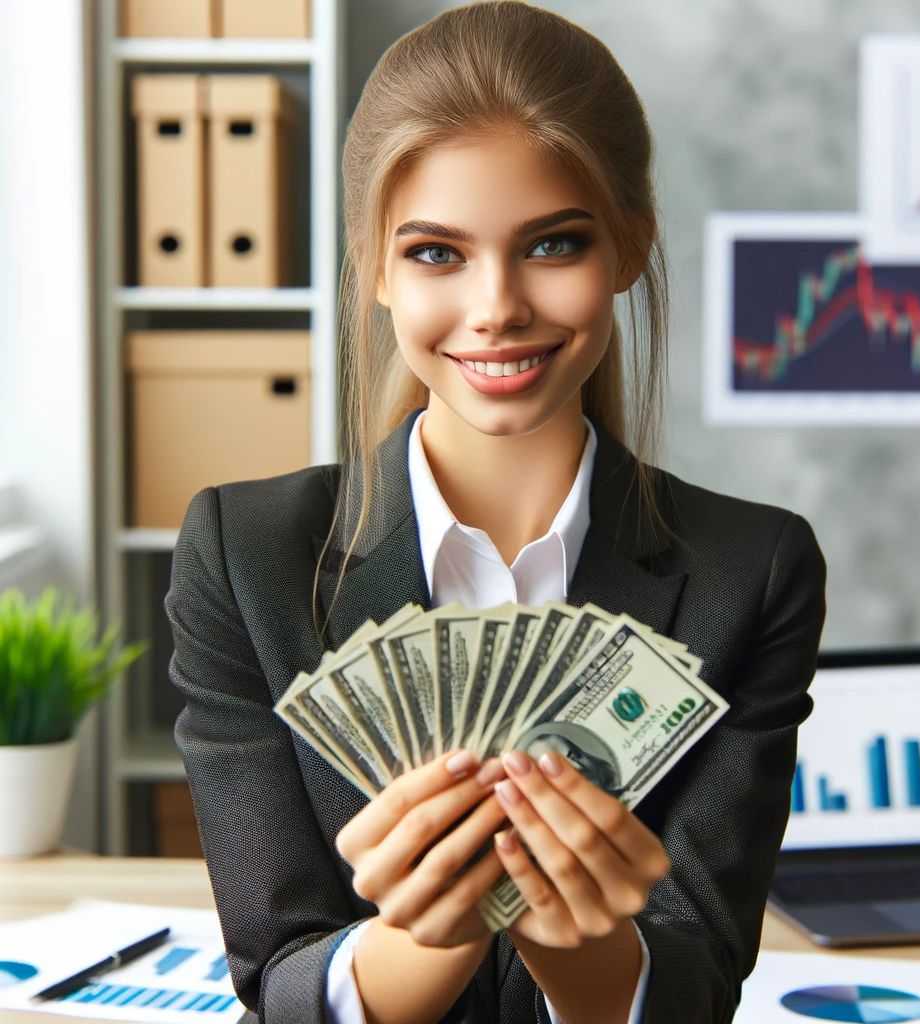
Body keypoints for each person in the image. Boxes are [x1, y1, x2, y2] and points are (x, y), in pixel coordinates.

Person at [164, 3, 827, 1023]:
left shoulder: (758, 569)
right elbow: (279, 982)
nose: (495, 307)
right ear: (374, 265)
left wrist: (591, 949)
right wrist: (423, 937)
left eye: (552, 244)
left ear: (632, 246)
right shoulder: (240, 557)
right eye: (436, 253)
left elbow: (693, 983)